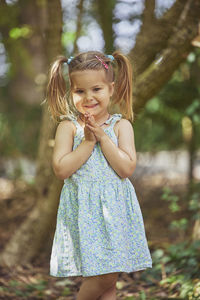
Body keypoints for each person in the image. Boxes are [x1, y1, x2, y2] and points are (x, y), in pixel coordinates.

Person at [46, 50, 152, 300]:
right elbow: (61, 169)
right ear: (71, 92)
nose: (88, 97)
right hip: (84, 212)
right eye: (80, 91)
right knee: (104, 277)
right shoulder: (68, 127)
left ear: (111, 88)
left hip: (114, 211)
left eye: (96, 89)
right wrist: (87, 143)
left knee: (109, 281)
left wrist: (103, 138)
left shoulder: (120, 126)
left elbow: (126, 169)